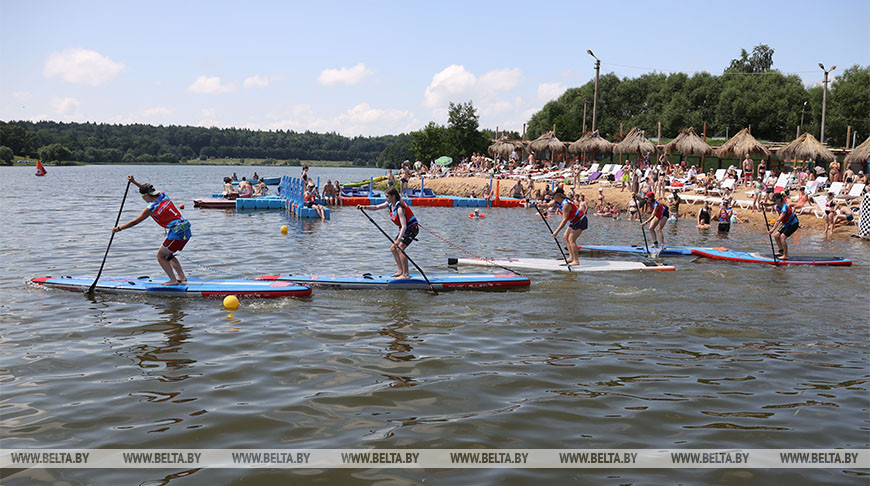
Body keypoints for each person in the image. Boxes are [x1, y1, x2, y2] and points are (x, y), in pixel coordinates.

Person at [112, 176, 191, 285]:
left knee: (160, 256)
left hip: (177, 234)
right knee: (168, 254)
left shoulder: (150, 208)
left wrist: (119, 228)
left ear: (145, 196)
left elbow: (135, 222)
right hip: (186, 230)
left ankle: (173, 280)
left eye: (142, 196)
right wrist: (134, 182)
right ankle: (181, 277)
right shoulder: (163, 195)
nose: (142, 199)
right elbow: (147, 191)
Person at [356, 188, 418, 279]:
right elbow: (376, 207)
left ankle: (406, 274)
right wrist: (364, 207)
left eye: (387, 196)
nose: (386, 198)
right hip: (404, 229)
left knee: (400, 248)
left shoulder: (400, 208)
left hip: (411, 229)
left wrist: (399, 239)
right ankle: (400, 271)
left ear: (393, 196)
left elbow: (404, 226)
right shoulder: (389, 204)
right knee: (393, 248)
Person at [548, 188, 587, 266]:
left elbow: (564, 220)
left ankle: (576, 261)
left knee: (571, 239)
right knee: (565, 237)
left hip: (580, 220)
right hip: (574, 220)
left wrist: (556, 232)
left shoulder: (566, 204)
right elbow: (547, 205)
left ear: (559, 195)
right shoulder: (557, 201)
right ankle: (571, 257)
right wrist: (537, 205)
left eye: (553, 195)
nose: (552, 197)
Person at [769, 192, 799, 259]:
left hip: (793, 224)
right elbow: (770, 204)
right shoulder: (778, 204)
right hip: (786, 223)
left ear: (779, 199)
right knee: (776, 236)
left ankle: (786, 255)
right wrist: (763, 204)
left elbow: (778, 220)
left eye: (775, 200)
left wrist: (772, 230)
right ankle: (781, 251)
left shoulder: (784, 208)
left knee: (782, 237)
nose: (774, 202)